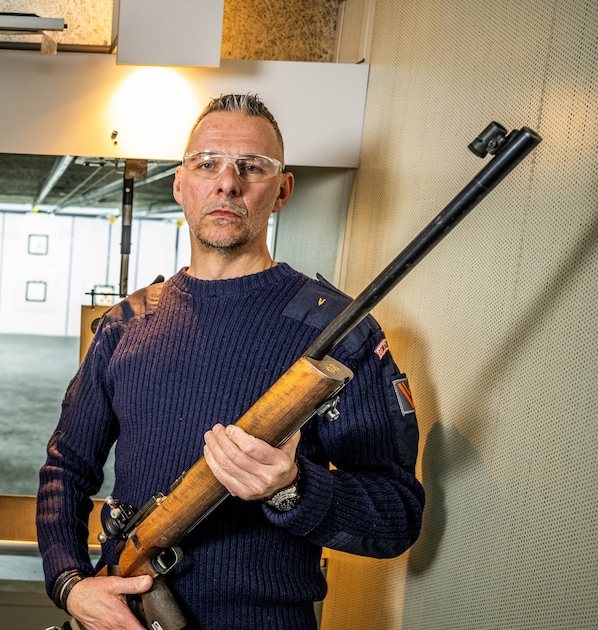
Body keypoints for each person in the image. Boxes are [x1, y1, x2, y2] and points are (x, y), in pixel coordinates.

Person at [36, 94, 425, 630]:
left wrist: (292, 488)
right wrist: (70, 583)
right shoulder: (125, 325)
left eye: (252, 167)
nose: (227, 182)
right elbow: (66, 467)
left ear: (282, 190)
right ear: (180, 185)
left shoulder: (338, 333)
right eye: (207, 163)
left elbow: (397, 515)